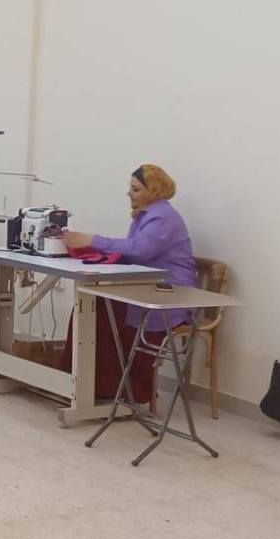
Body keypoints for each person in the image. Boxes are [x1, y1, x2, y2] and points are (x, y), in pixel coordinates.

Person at [60, 163, 198, 404]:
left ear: (153, 190)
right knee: (91, 305)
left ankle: (123, 389)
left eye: (135, 189)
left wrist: (92, 240)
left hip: (169, 293)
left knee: (100, 311)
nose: (129, 194)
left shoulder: (162, 217)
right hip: (150, 286)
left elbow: (140, 250)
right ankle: (88, 383)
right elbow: (133, 252)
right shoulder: (146, 215)